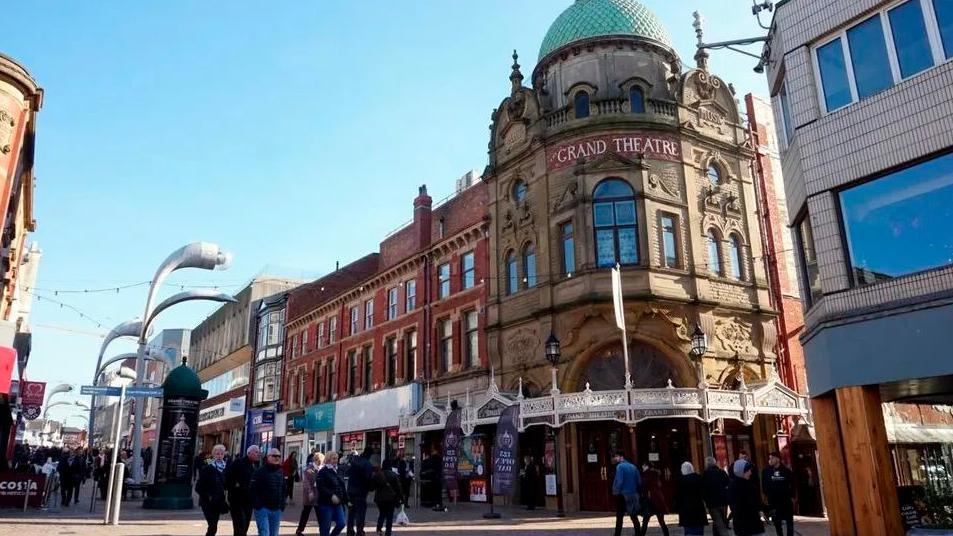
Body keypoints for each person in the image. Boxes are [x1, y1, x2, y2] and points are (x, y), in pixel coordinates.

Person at [225, 445, 260, 536]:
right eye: (255, 452)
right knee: (240, 523)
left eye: (258, 452)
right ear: (249, 453)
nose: (258, 454)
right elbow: (228, 477)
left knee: (246, 524)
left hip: (248, 500)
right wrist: (236, 485)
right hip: (237, 499)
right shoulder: (238, 462)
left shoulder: (255, 465)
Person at [250, 448, 287, 536]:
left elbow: (284, 489)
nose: (277, 458)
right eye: (274, 456)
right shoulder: (259, 471)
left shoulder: (281, 472)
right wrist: (258, 505)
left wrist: (282, 503)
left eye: (279, 456)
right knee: (264, 533)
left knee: (274, 534)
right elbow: (252, 489)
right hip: (263, 509)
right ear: (268, 457)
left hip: (277, 509)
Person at [196, 444, 230, 536]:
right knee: (212, 525)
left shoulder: (225, 467)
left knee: (214, 525)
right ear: (213, 454)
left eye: (221, 454)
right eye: (217, 453)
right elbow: (198, 486)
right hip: (207, 501)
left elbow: (226, 484)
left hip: (218, 501)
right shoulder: (207, 466)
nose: (219, 456)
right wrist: (207, 496)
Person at [762, 451, 795, 536]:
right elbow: (764, 484)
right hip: (774, 501)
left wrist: (792, 497)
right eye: (769, 458)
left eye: (772, 458)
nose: (770, 460)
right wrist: (767, 495)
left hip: (786, 500)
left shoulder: (786, 471)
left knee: (789, 522)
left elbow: (792, 484)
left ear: (778, 459)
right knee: (777, 522)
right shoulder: (766, 471)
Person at [729, 460, 765, 536]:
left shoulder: (732, 486)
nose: (750, 473)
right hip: (751, 526)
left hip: (741, 527)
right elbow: (753, 504)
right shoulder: (748, 487)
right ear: (742, 472)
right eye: (748, 471)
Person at [317, 451, 347, 536]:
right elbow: (321, 487)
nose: (335, 460)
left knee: (342, 523)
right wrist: (331, 495)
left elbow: (342, 486)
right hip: (326, 503)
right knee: (325, 527)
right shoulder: (323, 471)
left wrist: (346, 500)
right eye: (333, 458)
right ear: (328, 459)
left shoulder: (339, 470)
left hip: (338, 503)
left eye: (337, 458)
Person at [346, 446, 374, 536]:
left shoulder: (355, 461)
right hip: (361, 492)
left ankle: (350, 530)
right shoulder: (367, 464)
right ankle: (360, 531)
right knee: (360, 513)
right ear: (370, 455)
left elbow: (349, 472)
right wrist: (371, 487)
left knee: (351, 512)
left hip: (350, 490)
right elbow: (368, 478)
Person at [611, 451, 641, 536]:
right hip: (633, 493)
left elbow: (619, 481)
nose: (615, 458)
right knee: (633, 515)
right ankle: (638, 533)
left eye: (616, 456)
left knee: (620, 516)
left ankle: (617, 534)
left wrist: (615, 491)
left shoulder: (620, 467)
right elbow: (639, 481)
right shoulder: (633, 467)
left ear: (621, 457)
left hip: (623, 494)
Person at [674, 462, 707, 536]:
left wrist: (677, 508)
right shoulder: (698, 478)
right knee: (699, 531)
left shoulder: (680, 481)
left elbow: (677, 497)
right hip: (698, 508)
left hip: (686, 510)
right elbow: (704, 493)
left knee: (689, 531)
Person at [373, 458, 404, 536]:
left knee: (382, 513)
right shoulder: (393, 475)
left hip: (380, 498)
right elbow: (398, 488)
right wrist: (401, 498)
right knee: (389, 515)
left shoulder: (378, 475)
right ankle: (388, 532)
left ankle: (379, 529)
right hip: (391, 498)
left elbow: (373, 486)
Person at [297, 452, 324, 536]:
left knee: (320, 514)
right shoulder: (309, 469)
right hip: (310, 495)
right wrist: (310, 491)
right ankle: (299, 530)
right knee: (306, 513)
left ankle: (323, 531)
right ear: (315, 460)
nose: (320, 462)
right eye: (318, 460)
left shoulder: (322, 469)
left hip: (318, 495)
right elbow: (306, 482)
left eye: (321, 461)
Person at [701, 457, 730, 536]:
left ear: (707, 465)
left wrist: (706, 500)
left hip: (712, 503)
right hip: (723, 501)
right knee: (721, 521)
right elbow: (728, 484)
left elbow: (703, 490)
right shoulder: (722, 472)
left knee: (718, 521)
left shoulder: (705, 474)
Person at [639, 463, 670, 536]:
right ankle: (666, 534)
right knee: (661, 520)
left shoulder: (646, 474)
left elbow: (644, 487)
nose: (642, 468)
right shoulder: (656, 474)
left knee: (646, 519)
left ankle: (641, 534)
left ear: (646, 466)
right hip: (658, 498)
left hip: (650, 499)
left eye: (643, 466)